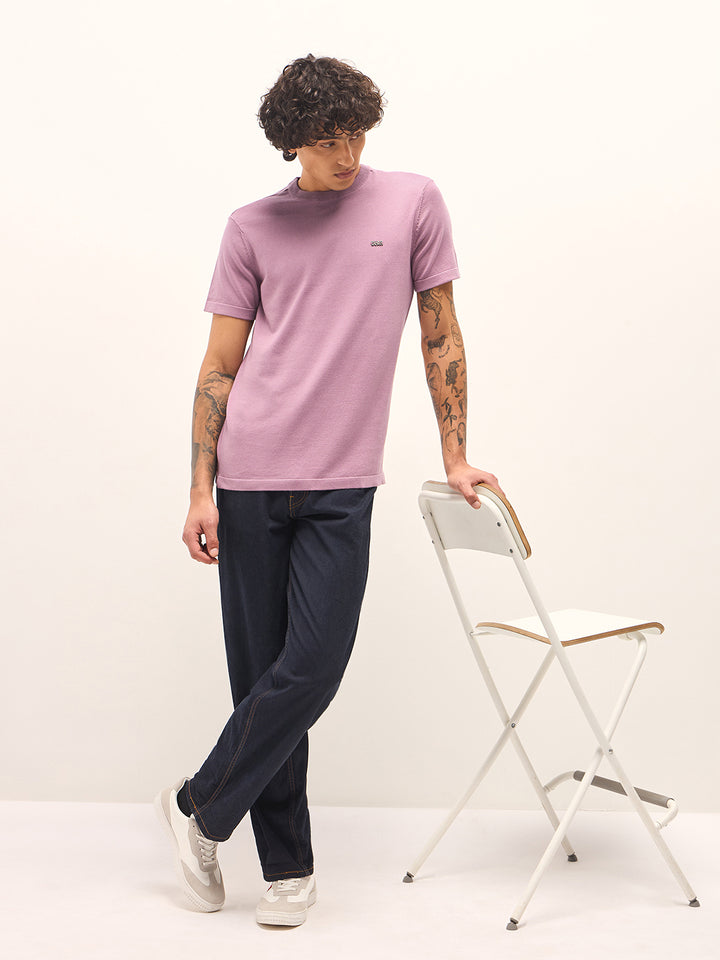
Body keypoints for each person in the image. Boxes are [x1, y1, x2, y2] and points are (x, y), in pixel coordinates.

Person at [154, 52, 502, 927]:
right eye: (325, 141)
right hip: (250, 477)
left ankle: (197, 804)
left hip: (344, 480)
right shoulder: (251, 227)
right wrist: (199, 488)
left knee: (312, 666)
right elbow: (220, 367)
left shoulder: (412, 201)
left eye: (355, 135)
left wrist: (456, 454)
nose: (345, 154)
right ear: (290, 144)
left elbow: (441, 334)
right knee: (261, 680)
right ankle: (287, 869)